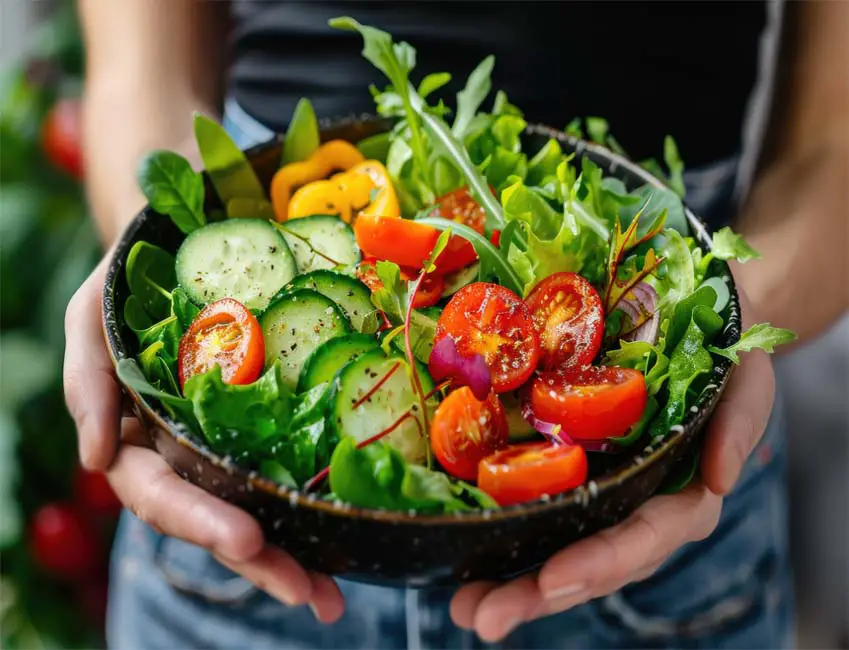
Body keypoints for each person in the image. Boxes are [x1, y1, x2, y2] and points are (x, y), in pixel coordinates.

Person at [65, 1, 848, 647]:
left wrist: (719, 311)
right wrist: (160, 244)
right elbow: (144, 73)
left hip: (650, 484)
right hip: (237, 515)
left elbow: (832, 147)